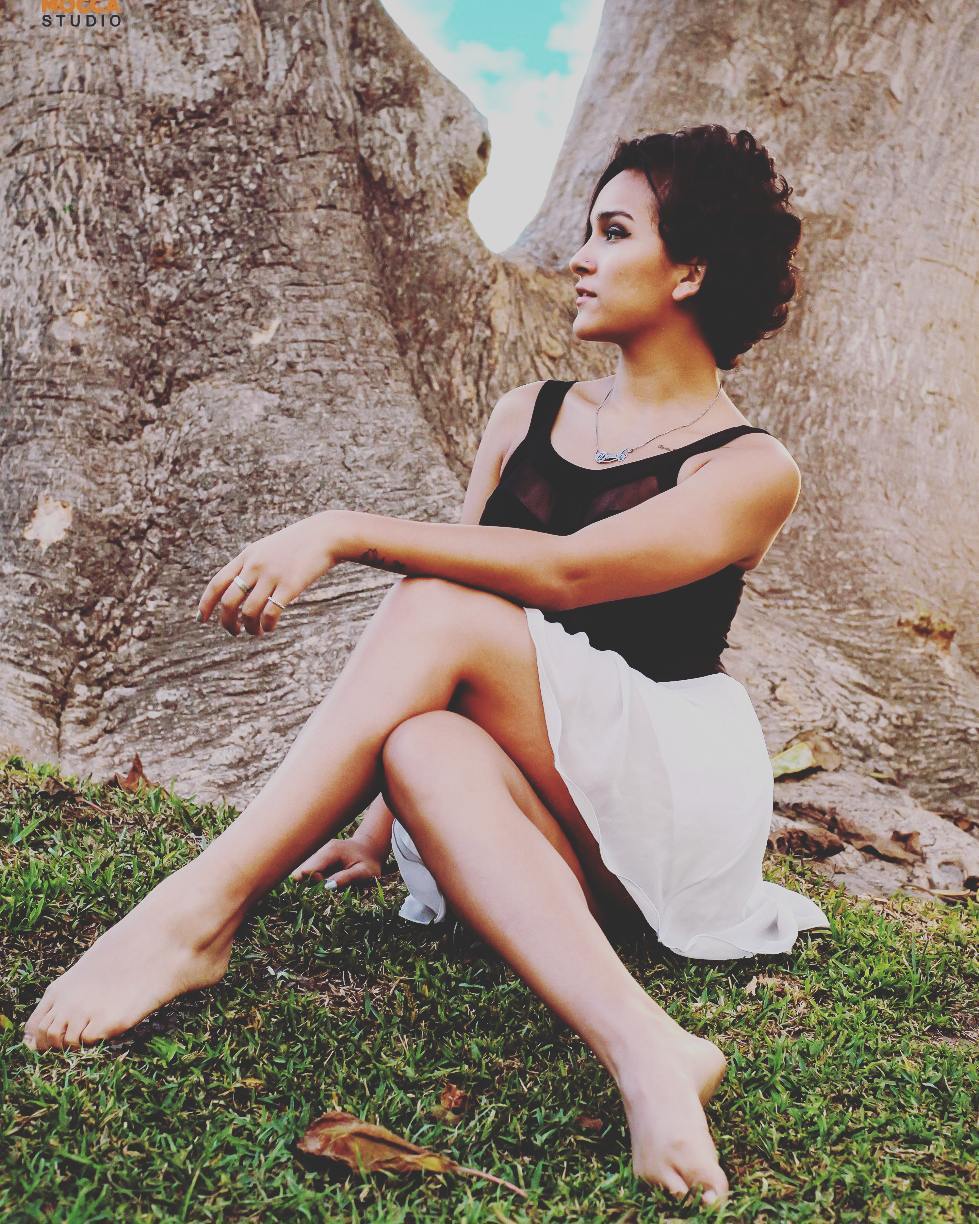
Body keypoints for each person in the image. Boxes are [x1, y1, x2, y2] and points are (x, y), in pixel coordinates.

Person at [22, 124, 829, 1207]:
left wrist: (345, 529)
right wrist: (377, 825)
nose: (578, 257)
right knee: (421, 737)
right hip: (542, 812)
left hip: (661, 799)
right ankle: (651, 1048)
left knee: (440, 594)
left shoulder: (751, 467)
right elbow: (443, 648)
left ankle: (199, 907)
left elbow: (564, 575)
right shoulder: (527, 415)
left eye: (612, 232)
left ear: (689, 269)